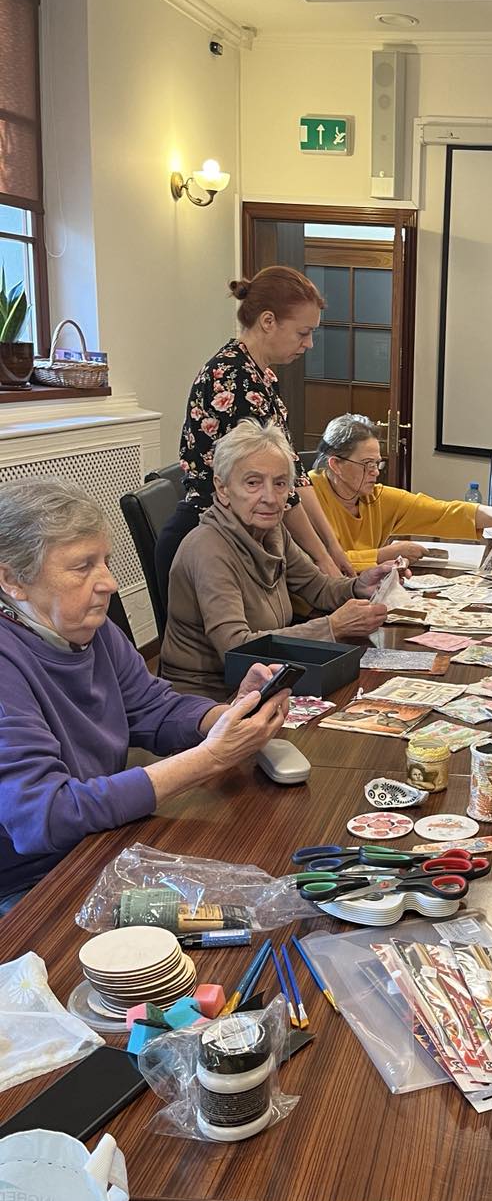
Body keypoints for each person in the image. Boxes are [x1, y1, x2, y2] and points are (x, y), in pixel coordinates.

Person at [0, 478, 291, 913]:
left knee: (260, 893)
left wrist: (228, 715)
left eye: (105, 562)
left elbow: (151, 706)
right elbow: (45, 816)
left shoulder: (91, 631)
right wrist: (210, 758)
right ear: (11, 580)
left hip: (94, 847)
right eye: (83, 567)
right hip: (30, 885)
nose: (110, 583)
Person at [156, 267, 353, 594]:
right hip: (208, 540)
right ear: (268, 322)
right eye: (303, 333)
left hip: (237, 536)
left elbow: (293, 476)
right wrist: (321, 557)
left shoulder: (261, 376)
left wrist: (332, 548)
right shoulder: (235, 380)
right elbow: (279, 489)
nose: (310, 344)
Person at [160, 422, 393, 698]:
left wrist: (358, 586)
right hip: (212, 699)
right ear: (222, 489)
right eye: (253, 483)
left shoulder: (272, 531)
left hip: (269, 679)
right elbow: (236, 650)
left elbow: (317, 587)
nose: (270, 498)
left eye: (280, 483)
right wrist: (332, 627)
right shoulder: (208, 549)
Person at [307, 414, 492, 569]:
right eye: (367, 464)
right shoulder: (308, 497)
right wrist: (385, 554)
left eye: (377, 463)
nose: (375, 472)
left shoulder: (373, 495)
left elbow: (440, 512)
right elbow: (323, 562)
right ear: (336, 464)